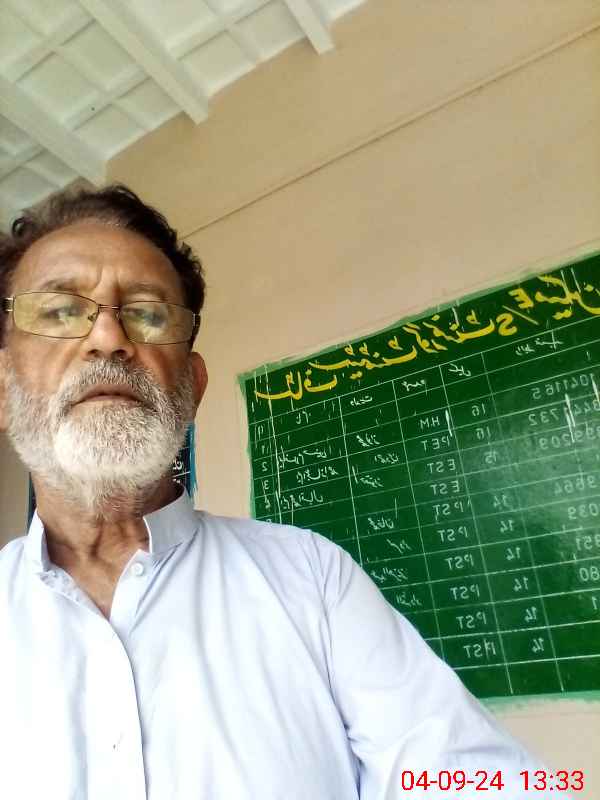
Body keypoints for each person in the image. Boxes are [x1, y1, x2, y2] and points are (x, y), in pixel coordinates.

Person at [0, 185, 555, 800]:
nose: (109, 337)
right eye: (59, 311)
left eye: (149, 314)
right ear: (3, 389)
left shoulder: (311, 576)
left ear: (192, 387)